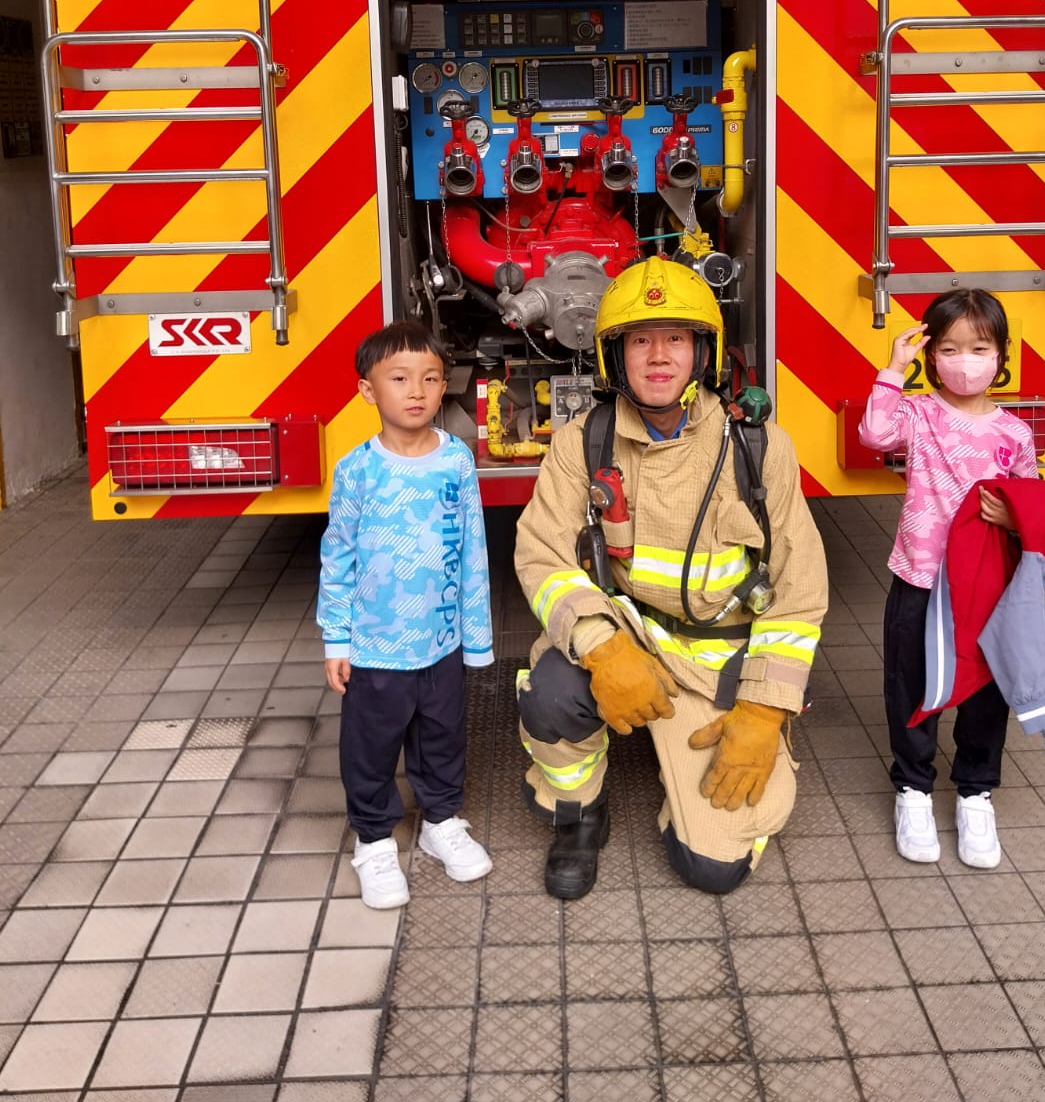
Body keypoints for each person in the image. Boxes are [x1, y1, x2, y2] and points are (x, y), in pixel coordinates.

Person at [513, 257, 828, 899]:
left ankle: (683, 768)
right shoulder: (582, 443)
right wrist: (602, 648)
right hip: (628, 641)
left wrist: (765, 709)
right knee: (551, 693)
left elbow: (799, 591)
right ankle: (578, 813)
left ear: (703, 353)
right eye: (640, 340)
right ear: (614, 357)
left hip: (718, 663)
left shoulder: (760, 447)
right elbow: (542, 557)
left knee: (712, 868)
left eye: (677, 338)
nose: (659, 356)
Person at [858, 287, 1040, 870]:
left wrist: (1014, 517)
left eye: (979, 348)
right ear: (932, 355)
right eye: (951, 349)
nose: (966, 361)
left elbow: (1033, 504)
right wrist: (894, 368)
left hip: (988, 586)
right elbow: (873, 433)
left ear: (1001, 354)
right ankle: (913, 788)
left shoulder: (1014, 433)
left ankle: (975, 793)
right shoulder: (918, 414)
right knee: (911, 684)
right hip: (920, 576)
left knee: (986, 688)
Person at [318, 320, 494, 908]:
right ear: (368, 390)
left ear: (445, 386)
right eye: (399, 379)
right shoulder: (357, 470)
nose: (416, 391)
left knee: (442, 737)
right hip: (375, 648)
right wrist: (337, 639)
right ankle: (373, 840)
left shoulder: (457, 461)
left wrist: (475, 637)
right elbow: (338, 557)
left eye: (430, 378)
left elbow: (472, 550)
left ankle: (440, 822)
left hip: (441, 640)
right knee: (370, 745)